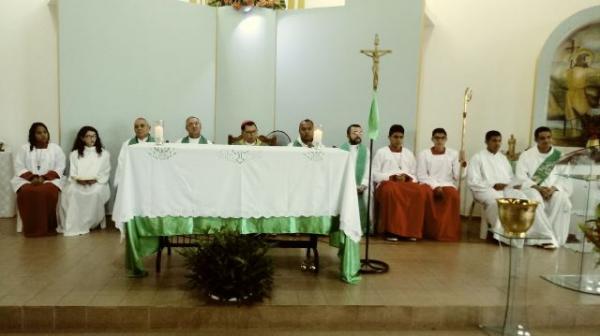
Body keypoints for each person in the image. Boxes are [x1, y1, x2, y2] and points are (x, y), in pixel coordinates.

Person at [467, 130, 556, 247]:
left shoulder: (502, 158)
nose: (497, 143)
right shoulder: (477, 157)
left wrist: (512, 185)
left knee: (524, 200)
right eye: (494, 141)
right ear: (486, 142)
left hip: (506, 188)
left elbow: (511, 177)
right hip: (485, 190)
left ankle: (536, 235)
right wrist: (493, 185)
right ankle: (506, 237)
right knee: (500, 203)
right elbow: (473, 180)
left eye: (499, 141)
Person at [372, 124, 434, 241]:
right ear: (389, 137)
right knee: (391, 190)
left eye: (401, 137)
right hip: (388, 183)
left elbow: (415, 175)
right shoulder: (381, 152)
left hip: (406, 184)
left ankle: (412, 231)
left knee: (420, 191)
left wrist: (406, 177)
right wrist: (392, 177)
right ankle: (392, 231)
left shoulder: (408, 153)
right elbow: (374, 174)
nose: (398, 140)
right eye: (395, 137)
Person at [515, 126, 572, 247]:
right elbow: (520, 177)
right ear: (536, 140)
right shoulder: (526, 155)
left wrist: (553, 189)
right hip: (533, 189)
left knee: (561, 199)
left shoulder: (560, 156)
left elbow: (565, 178)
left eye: (549, 137)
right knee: (534, 198)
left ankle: (554, 237)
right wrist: (538, 188)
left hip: (553, 190)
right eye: (542, 138)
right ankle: (538, 237)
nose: (546, 140)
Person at [11, 122, 65, 237]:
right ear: (32, 135)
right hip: (28, 180)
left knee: (48, 191)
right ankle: (31, 228)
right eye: (39, 133)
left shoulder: (55, 148)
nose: (43, 135)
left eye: (45, 132)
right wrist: (32, 178)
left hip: (50, 180)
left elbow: (60, 166)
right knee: (26, 191)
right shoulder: (24, 148)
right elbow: (19, 166)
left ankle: (48, 227)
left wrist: (44, 178)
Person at [59, 126, 111, 236]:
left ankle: (91, 222)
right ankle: (75, 222)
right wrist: (79, 180)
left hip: (97, 183)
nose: (92, 139)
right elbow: (73, 172)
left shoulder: (104, 153)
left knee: (95, 192)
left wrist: (95, 180)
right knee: (72, 191)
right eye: (88, 136)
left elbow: (105, 171)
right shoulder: (74, 154)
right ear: (82, 138)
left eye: (94, 136)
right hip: (79, 182)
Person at [416, 128, 462, 241]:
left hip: (447, 183)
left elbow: (458, 176)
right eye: (437, 138)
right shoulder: (424, 154)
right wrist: (435, 186)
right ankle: (429, 232)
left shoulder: (453, 154)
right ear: (432, 139)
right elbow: (421, 175)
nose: (439, 140)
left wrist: (463, 165)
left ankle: (447, 232)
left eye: (442, 138)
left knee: (454, 196)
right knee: (425, 194)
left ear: (446, 139)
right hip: (429, 183)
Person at [340, 124, 370, 232]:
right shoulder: (341, 150)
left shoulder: (365, 151)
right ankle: (343, 225)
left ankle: (364, 228)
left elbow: (368, 168)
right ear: (348, 135)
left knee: (368, 196)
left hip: (360, 185)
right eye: (354, 133)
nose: (358, 135)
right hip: (346, 184)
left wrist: (363, 184)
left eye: (360, 132)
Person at [114, 118, 154, 187]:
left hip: (151, 179)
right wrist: (119, 182)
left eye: (142, 126)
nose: (139, 128)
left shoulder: (156, 144)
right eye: (136, 126)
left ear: (149, 128)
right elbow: (121, 164)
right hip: (133, 179)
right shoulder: (127, 144)